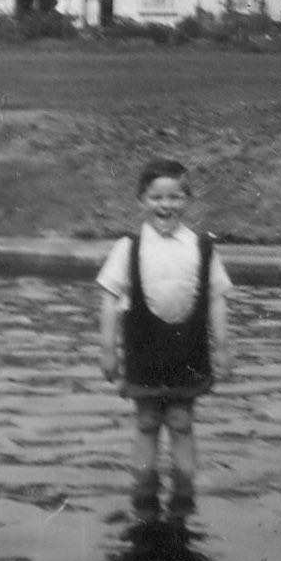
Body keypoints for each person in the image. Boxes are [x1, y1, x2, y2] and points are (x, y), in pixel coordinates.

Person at [97, 157, 233, 515]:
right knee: (146, 421)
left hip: (186, 348)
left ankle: (186, 495)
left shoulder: (201, 248)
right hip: (144, 347)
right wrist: (107, 349)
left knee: (181, 421)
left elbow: (217, 299)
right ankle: (143, 494)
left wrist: (222, 348)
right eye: (157, 197)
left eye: (175, 197)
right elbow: (109, 298)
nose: (166, 205)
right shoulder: (129, 247)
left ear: (187, 201)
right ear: (142, 200)